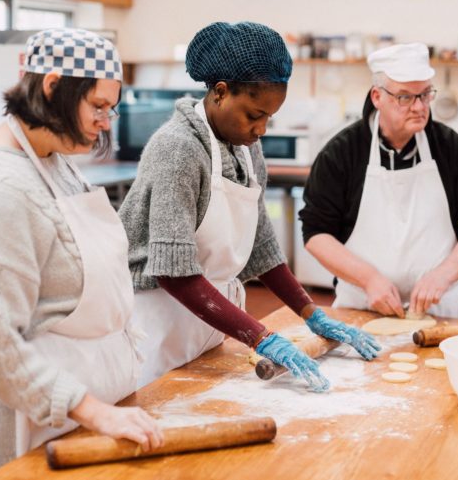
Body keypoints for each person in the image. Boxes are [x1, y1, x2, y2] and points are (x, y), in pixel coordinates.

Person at [0, 29, 162, 480]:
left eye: (111, 108)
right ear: (52, 86)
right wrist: (96, 413)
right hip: (17, 441)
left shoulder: (52, 162)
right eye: (98, 107)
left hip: (71, 424)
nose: (107, 121)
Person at [119, 21, 380, 392]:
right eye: (255, 115)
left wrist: (312, 314)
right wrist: (261, 337)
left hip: (210, 317)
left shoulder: (246, 148)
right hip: (156, 320)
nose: (262, 129)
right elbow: (173, 273)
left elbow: (262, 245)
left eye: (270, 118)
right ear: (221, 93)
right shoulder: (177, 149)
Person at [300, 43, 458, 320]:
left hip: (440, 310)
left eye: (425, 94)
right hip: (362, 307)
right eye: (405, 97)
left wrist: (444, 274)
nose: (419, 107)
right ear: (377, 96)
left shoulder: (448, 147)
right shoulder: (342, 152)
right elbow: (316, 233)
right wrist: (369, 279)